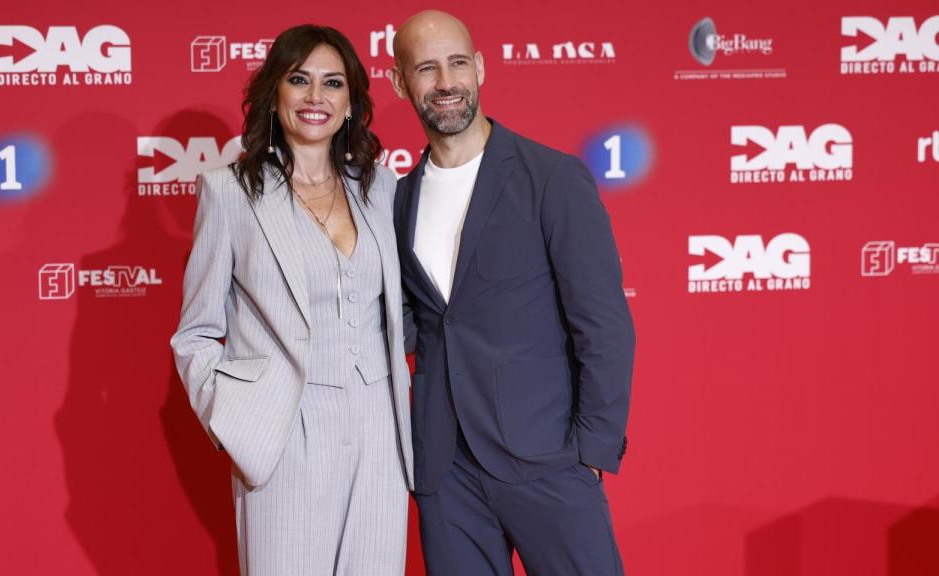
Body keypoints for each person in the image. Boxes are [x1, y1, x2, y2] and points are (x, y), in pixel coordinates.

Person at [386, 10, 635, 576]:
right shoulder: (396, 200)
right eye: (426, 68)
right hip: (445, 471)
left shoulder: (551, 178)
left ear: (479, 68)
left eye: (457, 63)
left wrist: (592, 452)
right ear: (401, 83)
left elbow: (604, 325)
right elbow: (407, 324)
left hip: (548, 458)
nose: (445, 82)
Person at [171, 24, 413, 576]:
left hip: (380, 428)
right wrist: (235, 421)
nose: (315, 96)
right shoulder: (229, 192)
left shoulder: (381, 187)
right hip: (283, 427)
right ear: (274, 94)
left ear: (350, 103)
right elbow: (195, 332)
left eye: (333, 83)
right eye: (299, 80)